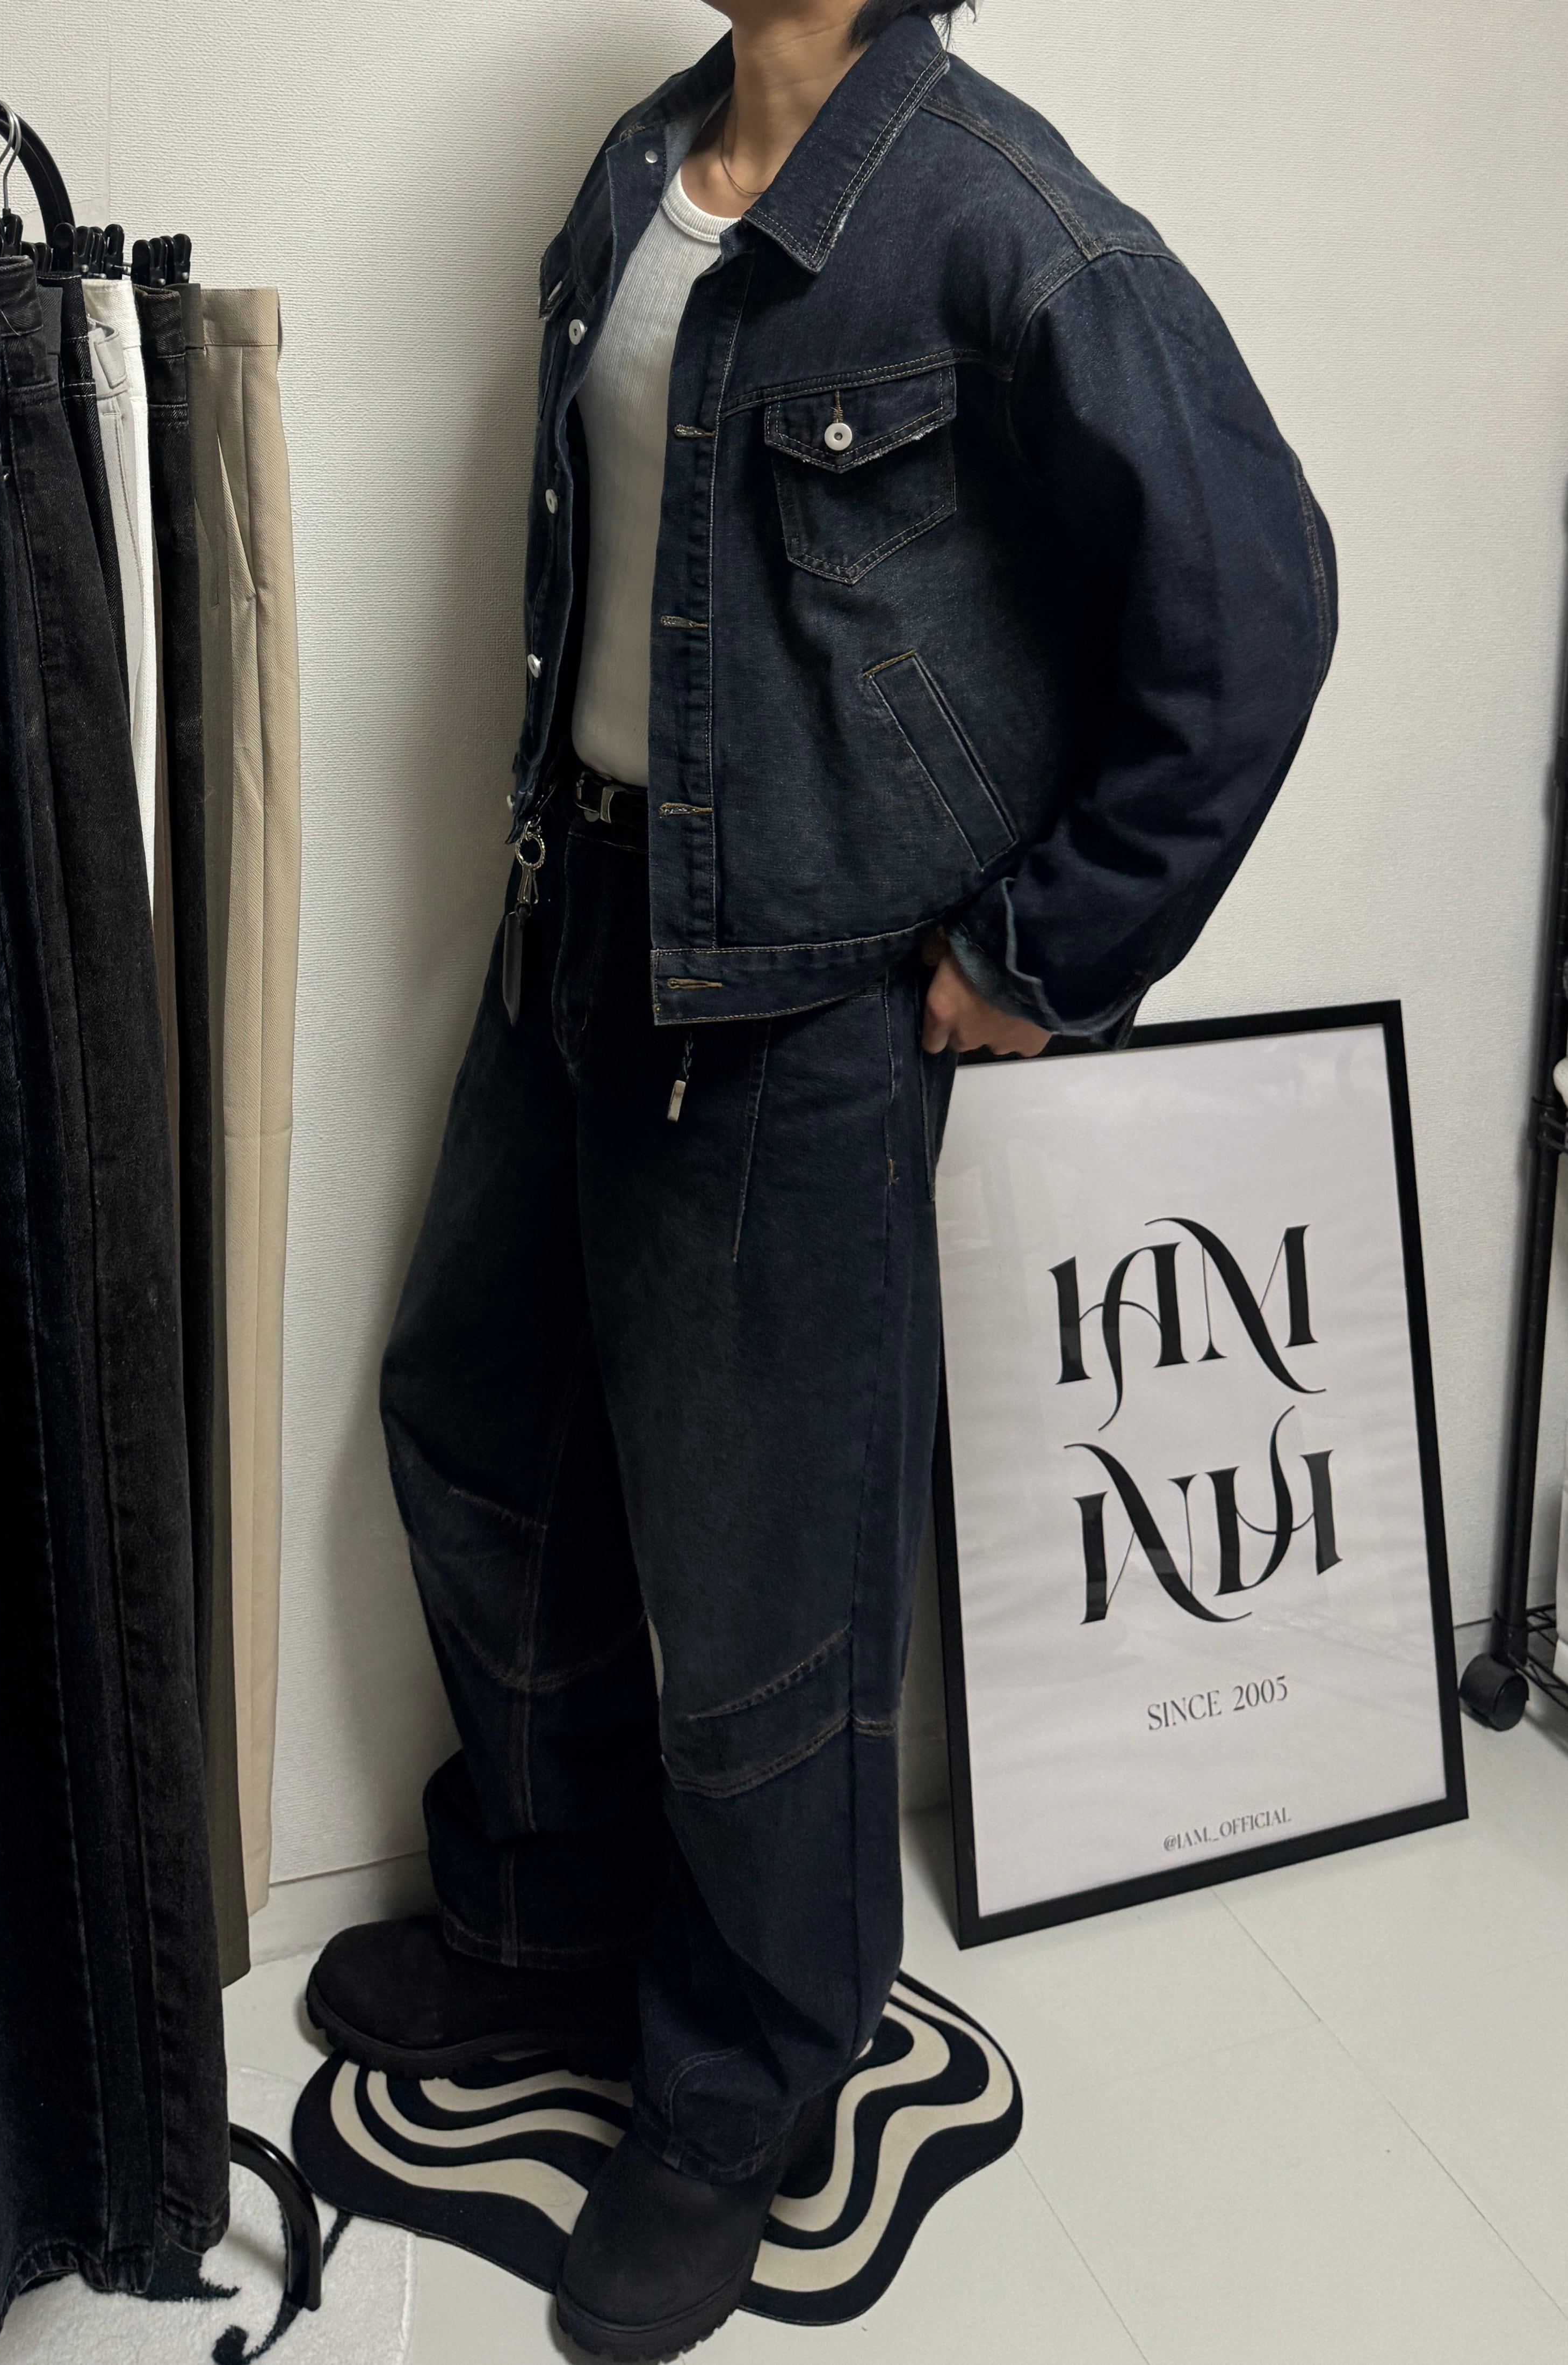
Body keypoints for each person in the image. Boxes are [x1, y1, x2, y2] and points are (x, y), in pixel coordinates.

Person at [309, 0, 1337, 2354]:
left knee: (766, 1585)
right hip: (577, 924)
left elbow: (1253, 599)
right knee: (482, 1437)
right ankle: (542, 1916)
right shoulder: (639, 167)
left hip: (794, 1011)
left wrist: (1041, 955)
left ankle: (748, 2079)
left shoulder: (1003, 221)